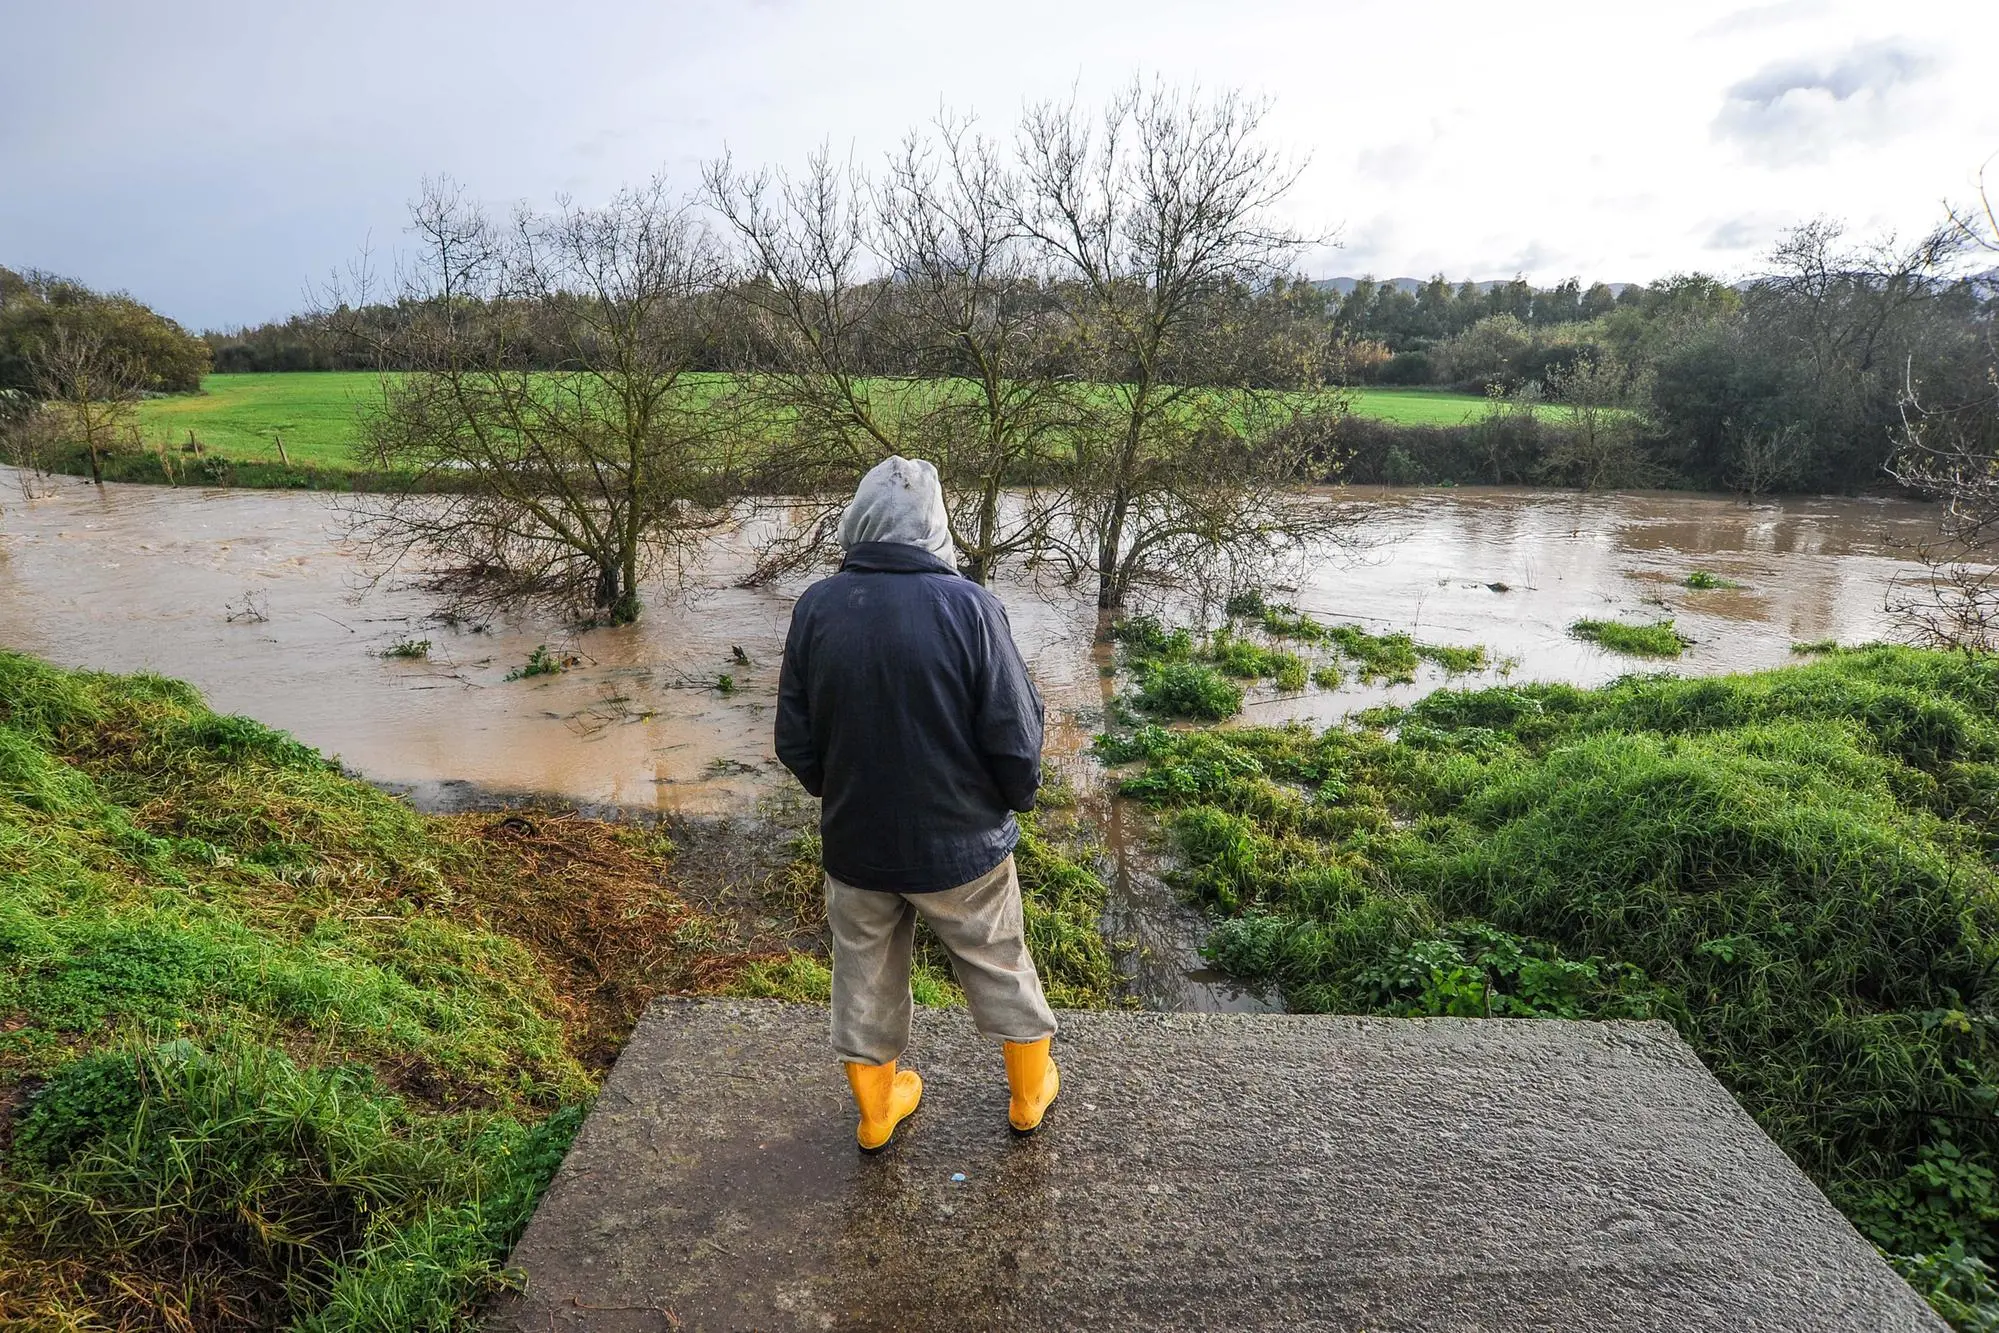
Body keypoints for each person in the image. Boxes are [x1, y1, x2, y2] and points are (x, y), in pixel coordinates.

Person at [775, 455, 1060, 1153]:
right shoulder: (971, 606)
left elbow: (795, 738)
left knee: (863, 977)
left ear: (858, 520)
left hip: (858, 842)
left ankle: (877, 1113)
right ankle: (1027, 1096)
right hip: (962, 845)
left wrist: (840, 793)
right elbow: (1016, 737)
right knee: (997, 960)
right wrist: (1007, 804)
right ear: (937, 525)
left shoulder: (815, 605)